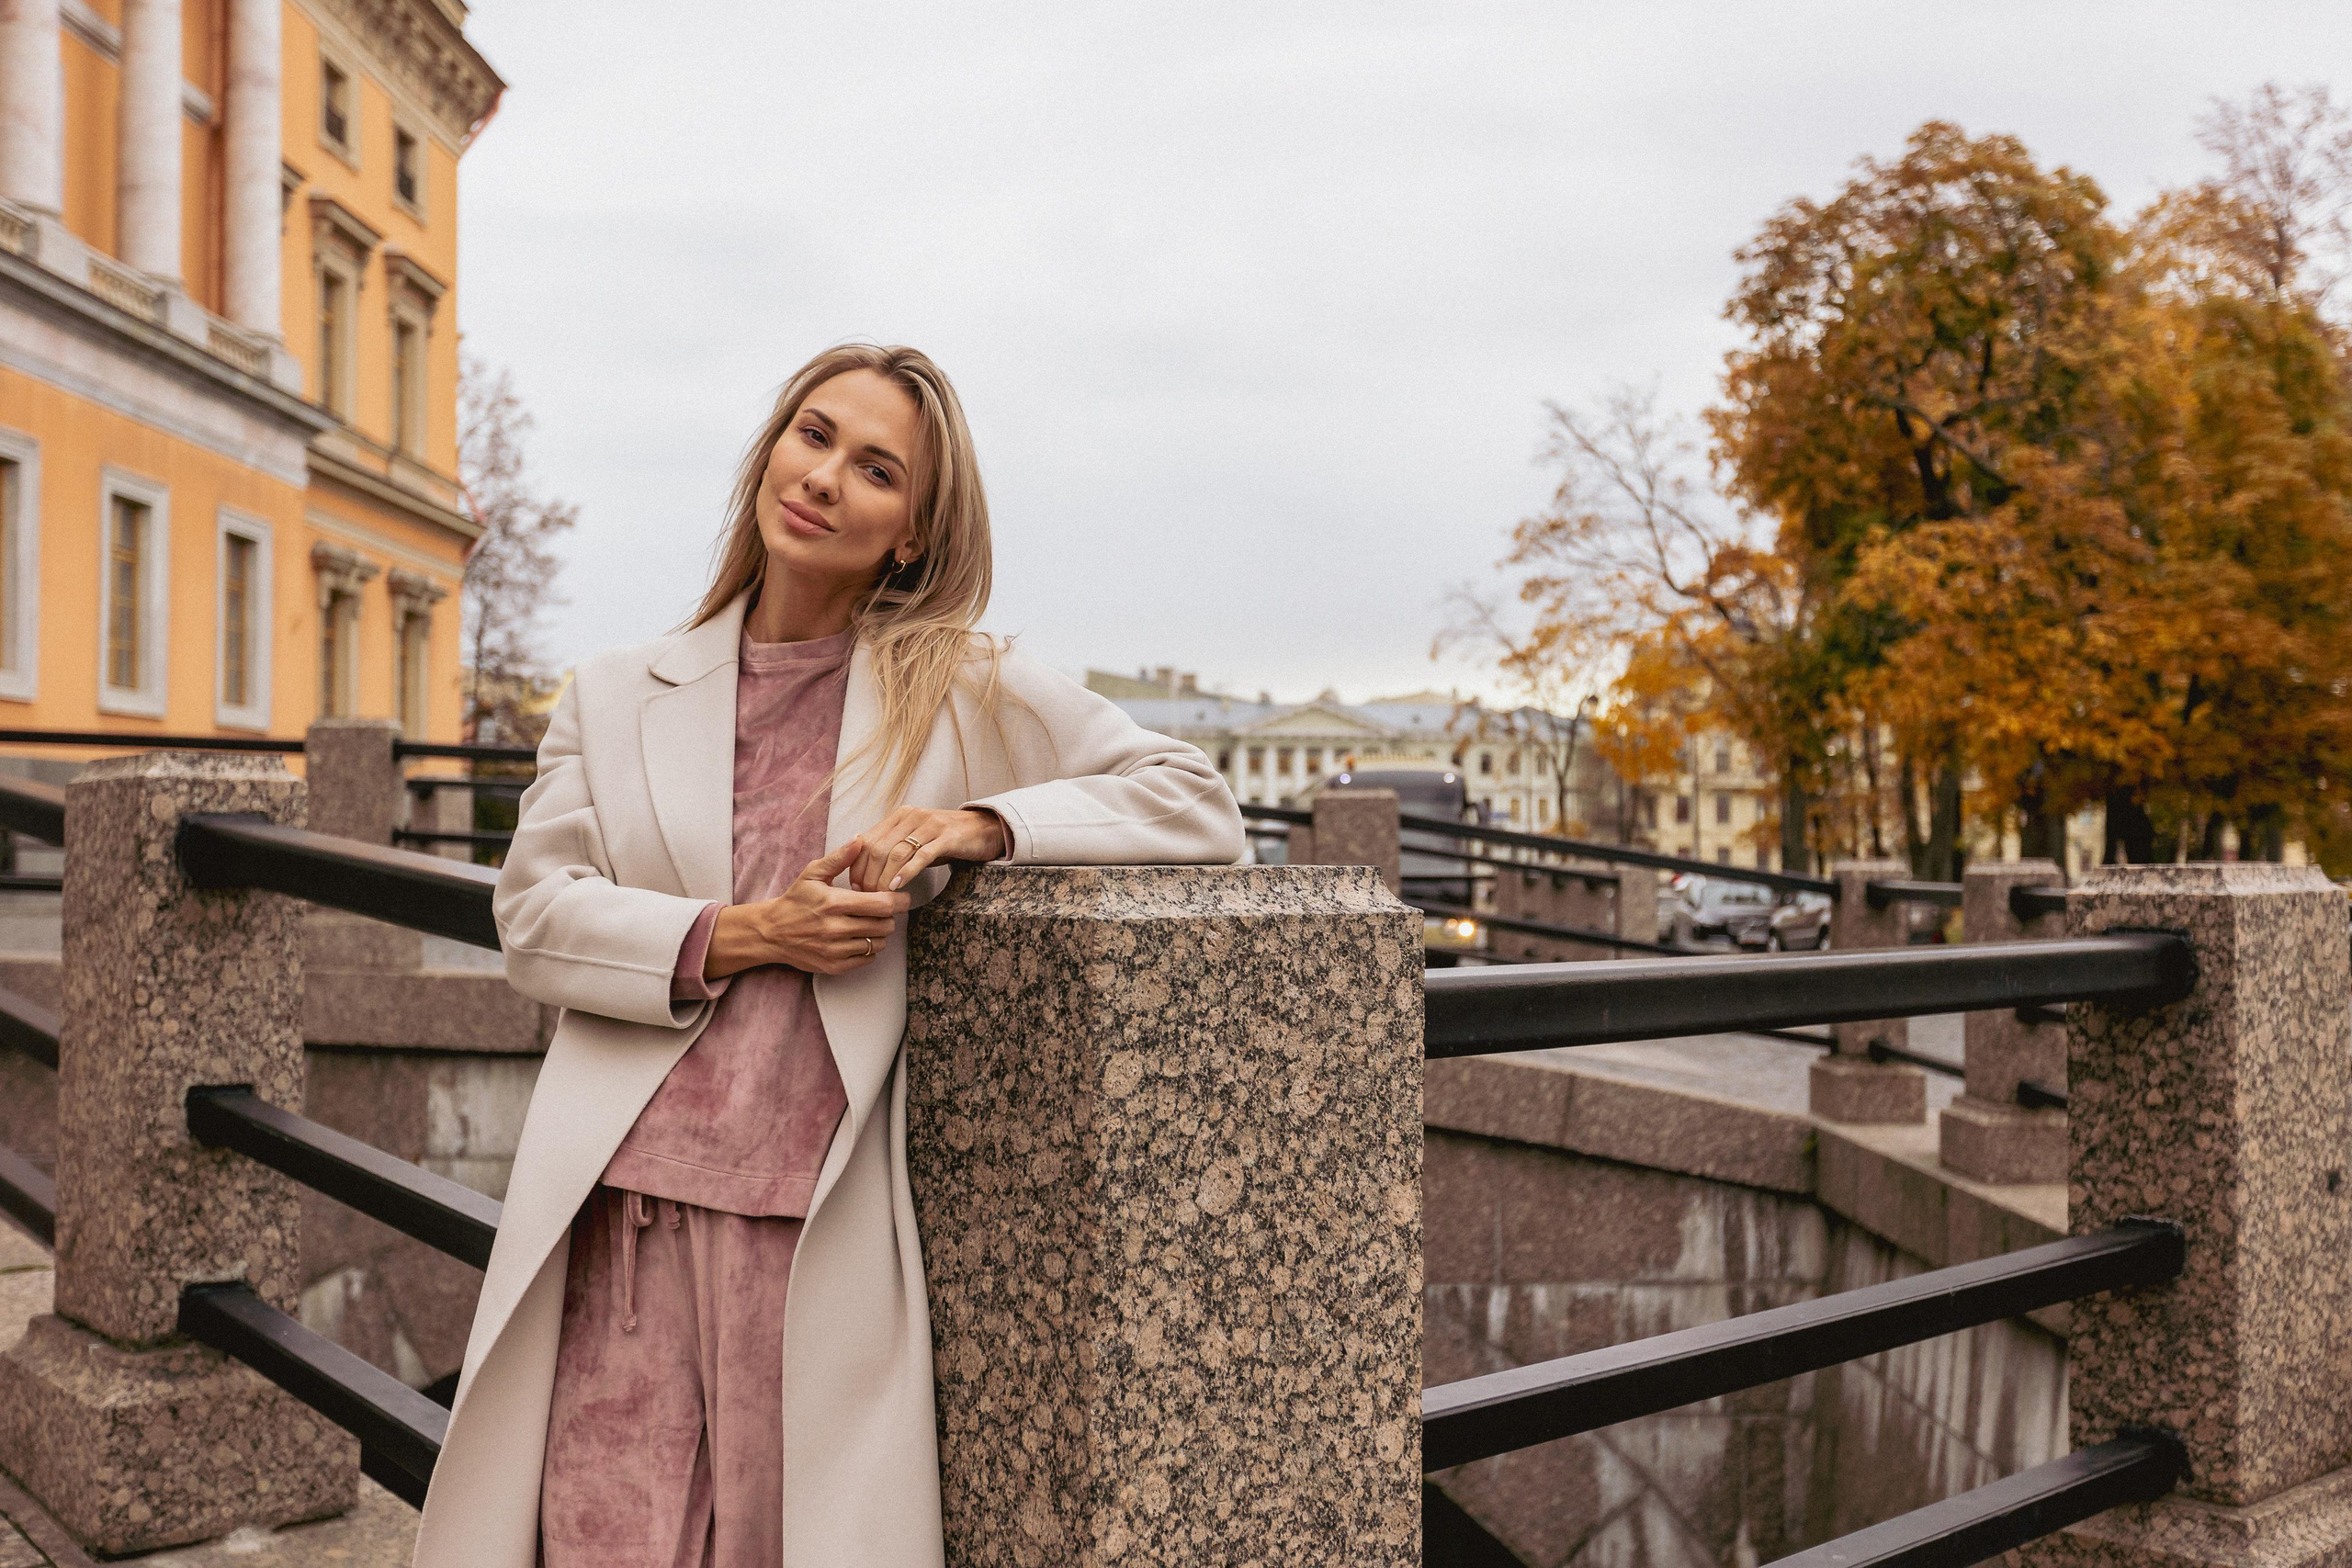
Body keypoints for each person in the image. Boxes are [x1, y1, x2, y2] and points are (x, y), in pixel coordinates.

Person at [410, 344, 1244, 1568]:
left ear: (911, 530)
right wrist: (751, 935)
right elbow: (534, 914)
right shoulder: (612, 691)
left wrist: (982, 824)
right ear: (771, 453)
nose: (825, 479)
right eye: (811, 436)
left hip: (812, 1231)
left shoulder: (962, 689)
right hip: (624, 1210)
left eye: (875, 469)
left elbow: (1193, 803)